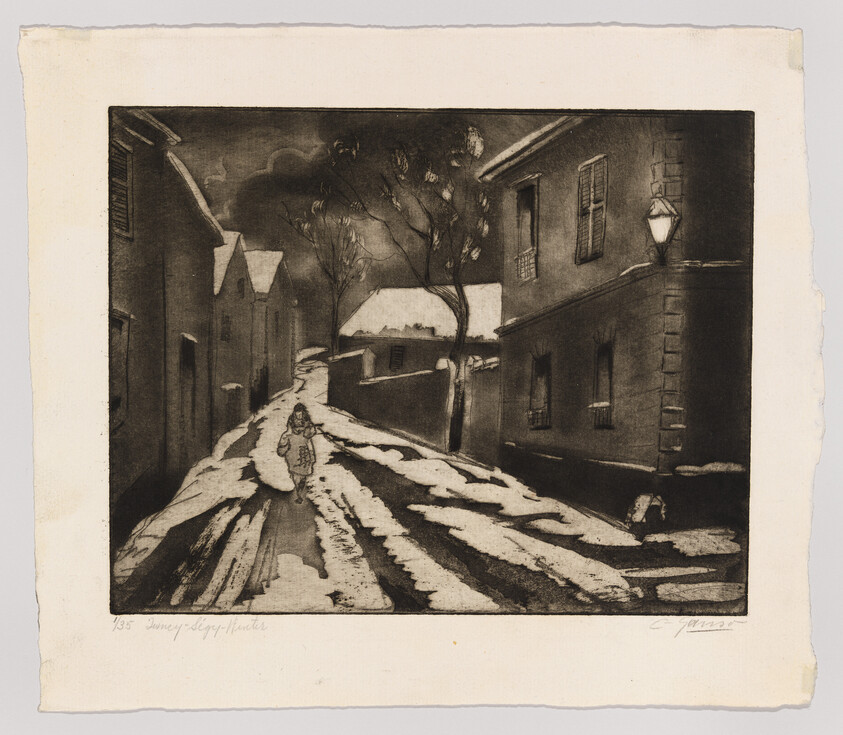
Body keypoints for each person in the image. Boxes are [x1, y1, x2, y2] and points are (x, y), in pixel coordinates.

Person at [276, 403, 317, 503]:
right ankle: (298, 493)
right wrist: (283, 445)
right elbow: (286, 436)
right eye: (297, 414)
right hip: (293, 451)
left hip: (304, 451)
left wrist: (312, 456)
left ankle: (300, 492)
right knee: (295, 474)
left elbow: (310, 436)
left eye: (300, 414)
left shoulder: (307, 424)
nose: (299, 417)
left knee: (304, 474)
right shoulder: (290, 423)